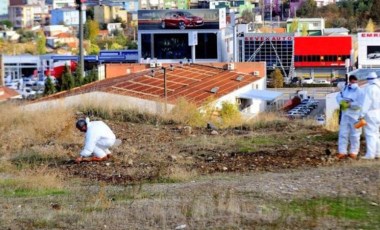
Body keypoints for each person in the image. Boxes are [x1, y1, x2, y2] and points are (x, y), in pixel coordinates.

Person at [336, 75, 364, 159]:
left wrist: (350, 104)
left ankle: (353, 152)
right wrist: (342, 102)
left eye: (354, 81)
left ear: (357, 81)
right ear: (349, 81)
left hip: (355, 116)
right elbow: (338, 96)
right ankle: (342, 152)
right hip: (345, 114)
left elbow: (360, 104)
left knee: (355, 135)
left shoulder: (360, 92)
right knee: (343, 133)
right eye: (351, 81)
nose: (353, 83)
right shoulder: (345, 89)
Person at [357, 72, 380, 160]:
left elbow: (367, 103)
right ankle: (378, 152)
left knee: (370, 134)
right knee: (376, 133)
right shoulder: (379, 87)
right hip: (378, 113)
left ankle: (370, 154)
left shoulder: (370, 88)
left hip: (371, 114)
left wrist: (361, 114)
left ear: (369, 79)